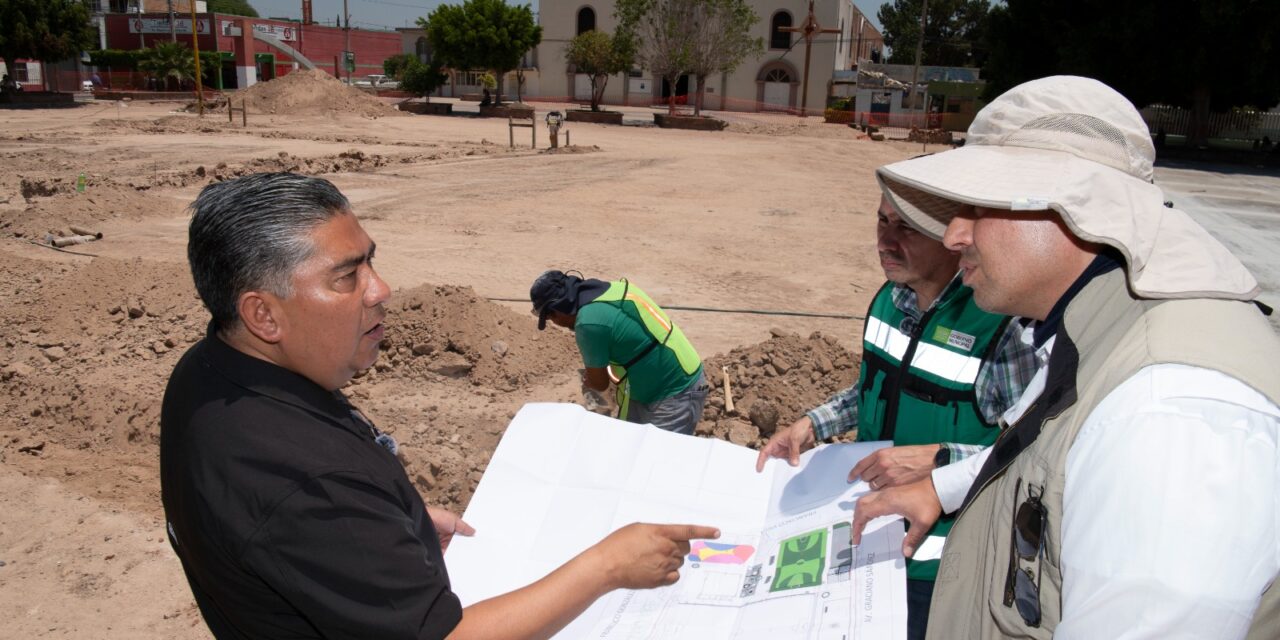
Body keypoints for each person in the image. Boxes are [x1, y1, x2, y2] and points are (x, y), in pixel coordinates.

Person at [161, 172, 720, 640]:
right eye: (346, 276)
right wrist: (607, 567)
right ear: (263, 315)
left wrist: (388, 524)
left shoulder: (206, 374)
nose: (380, 290)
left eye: (370, 263)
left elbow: (287, 530)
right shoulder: (306, 479)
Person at [849, 76, 1280, 639]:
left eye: (976, 206)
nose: (954, 235)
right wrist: (942, 487)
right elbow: (1037, 455)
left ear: (1071, 209)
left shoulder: (1169, 416)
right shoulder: (1089, 330)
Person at [756, 194, 1037, 640]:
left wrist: (941, 459)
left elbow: (1032, 450)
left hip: (939, 567)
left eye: (906, 228)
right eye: (882, 222)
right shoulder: (890, 300)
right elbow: (872, 384)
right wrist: (814, 423)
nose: (885, 241)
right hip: (868, 537)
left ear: (953, 239)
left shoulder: (1002, 330)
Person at [531, 270, 709, 435]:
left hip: (676, 392)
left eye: (549, 317)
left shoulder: (588, 324)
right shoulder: (611, 290)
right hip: (655, 384)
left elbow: (599, 384)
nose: (554, 323)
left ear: (557, 309)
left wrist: (590, 379)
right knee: (627, 448)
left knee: (656, 461)